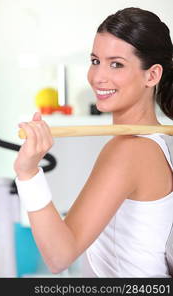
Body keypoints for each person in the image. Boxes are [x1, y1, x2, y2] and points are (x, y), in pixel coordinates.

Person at [14, 7, 173, 277]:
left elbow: (59, 255)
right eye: (95, 60)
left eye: (116, 64)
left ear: (152, 75)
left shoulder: (130, 150)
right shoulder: (153, 143)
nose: (98, 77)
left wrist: (28, 173)